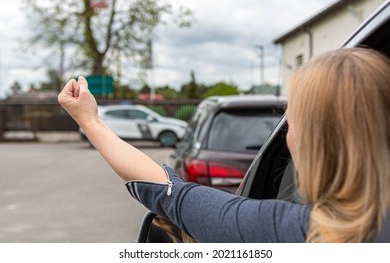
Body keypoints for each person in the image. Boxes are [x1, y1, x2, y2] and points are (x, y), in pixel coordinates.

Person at [58, 47, 390, 242]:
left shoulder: (292, 231)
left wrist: (90, 122)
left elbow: (161, 189)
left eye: (291, 122)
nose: (287, 135)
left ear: (315, 142)